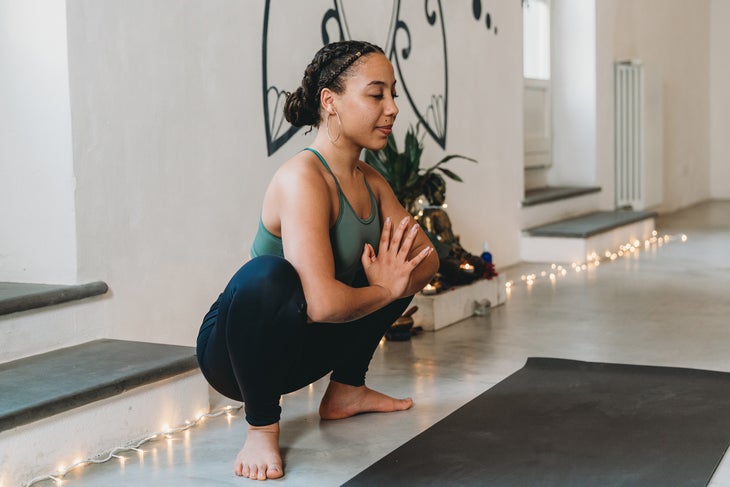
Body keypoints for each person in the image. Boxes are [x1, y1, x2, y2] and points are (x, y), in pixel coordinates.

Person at [195, 40, 439, 481]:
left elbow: (426, 260)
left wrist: (392, 281)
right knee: (267, 276)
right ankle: (261, 427)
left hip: (305, 350)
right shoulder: (302, 179)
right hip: (236, 358)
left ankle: (346, 391)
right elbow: (323, 304)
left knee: (399, 264)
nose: (393, 109)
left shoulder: (371, 180)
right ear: (330, 101)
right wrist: (384, 288)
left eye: (394, 94)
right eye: (376, 94)